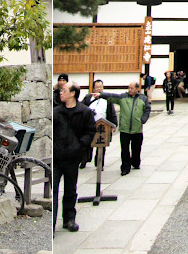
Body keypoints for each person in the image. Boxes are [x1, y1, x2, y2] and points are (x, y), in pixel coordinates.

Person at [53, 81, 96, 232]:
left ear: (72, 93)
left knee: (70, 190)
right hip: (57, 158)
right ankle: (51, 224)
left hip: (73, 157)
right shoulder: (56, 112)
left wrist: (79, 146)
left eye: (63, 90)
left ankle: (69, 219)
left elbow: (90, 131)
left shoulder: (84, 112)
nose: (60, 92)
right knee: (54, 190)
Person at [93, 81, 150, 176]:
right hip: (125, 128)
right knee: (124, 150)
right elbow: (112, 96)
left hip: (137, 128)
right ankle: (125, 167)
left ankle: (136, 163)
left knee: (136, 148)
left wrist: (143, 119)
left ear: (137, 89)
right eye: (129, 88)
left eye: (132, 88)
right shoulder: (123, 97)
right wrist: (101, 95)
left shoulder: (143, 98)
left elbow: (147, 109)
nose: (129, 90)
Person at [80, 79, 117, 169]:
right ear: (93, 88)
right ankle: (84, 160)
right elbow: (81, 108)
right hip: (90, 125)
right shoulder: (88, 98)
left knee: (101, 145)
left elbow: (112, 112)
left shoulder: (107, 99)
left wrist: (114, 124)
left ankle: (100, 163)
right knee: (87, 144)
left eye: (101, 87)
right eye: (97, 87)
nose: (99, 89)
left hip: (103, 124)